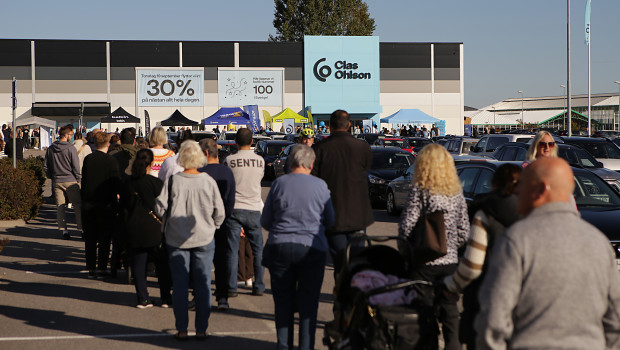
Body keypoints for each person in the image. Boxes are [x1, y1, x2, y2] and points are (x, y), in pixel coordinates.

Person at [474, 157, 620, 349]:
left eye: (522, 185)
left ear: (541, 190)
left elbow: (493, 320)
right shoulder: (599, 243)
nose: (517, 191)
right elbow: (614, 319)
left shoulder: (517, 240)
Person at [262, 144, 335, 350]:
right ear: (311, 163)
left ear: (291, 162)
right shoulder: (321, 186)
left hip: (280, 246)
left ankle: (284, 345)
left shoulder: (278, 184)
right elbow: (330, 219)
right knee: (309, 304)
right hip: (312, 247)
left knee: (283, 303)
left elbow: (266, 221)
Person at [442, 164, 522, 349]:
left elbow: (472, 265)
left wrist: (452, 286)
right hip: (520, 306)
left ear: (494, 183)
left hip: (484, 301)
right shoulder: (531, 213)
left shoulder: (485, 211)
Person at [398, 144, 469, 350]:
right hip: (450, 263)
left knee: (423, 313)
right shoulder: (456, 193)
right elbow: (464, 230)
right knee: (450, 312)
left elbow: (406, 226)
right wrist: (448, 247)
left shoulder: (420, 190)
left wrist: (409, 252)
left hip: (424, 262)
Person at [155, 141, 225, 341]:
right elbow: (220, 212)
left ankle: (182, 329)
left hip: (176, 238)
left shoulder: (174, 181)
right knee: (202, 284)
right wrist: (212, 227)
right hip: (203, 237)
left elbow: (160, 208)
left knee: (179, 285)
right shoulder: (208, 181)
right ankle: (201, 329)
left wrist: (168, 218)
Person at [311, 109, 374, 276]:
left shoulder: (319, 149)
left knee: (339, 262)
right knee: (356, 262)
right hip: (359, 215)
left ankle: (341, 292)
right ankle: (353, 295)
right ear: (349, 126)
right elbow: (366, 169)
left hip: (333, 215)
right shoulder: (363, 147)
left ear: (330, 125)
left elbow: (314, 181)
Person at [121, 148, 171, 308]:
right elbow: (164, 205)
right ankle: (165, 298)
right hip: (154, 227)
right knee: (162, 265)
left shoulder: (127, 183)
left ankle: (143, 298)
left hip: (133, 227)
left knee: (138, 264)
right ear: (151, 163)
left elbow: (123, 206)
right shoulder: (155, 183)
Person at [223, 128, 266, 297]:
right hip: (254, 207)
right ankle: (259, 285)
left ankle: (232, 286)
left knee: (232, 249)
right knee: (257, 249)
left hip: (235, 207)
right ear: (252, 142)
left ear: (235, 142)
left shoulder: (229, 160)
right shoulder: (260, 161)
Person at [197, 138, 236, 311]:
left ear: (205, 153)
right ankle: (222, 297)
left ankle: (200, 296)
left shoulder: (199, 172)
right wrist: (224, 217)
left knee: (200, 262)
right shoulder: (226, 172)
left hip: (201, 224)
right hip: (222, 223)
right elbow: (230, 200)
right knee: (221, 262)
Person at [81, 132, 121, 278]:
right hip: (107, 204)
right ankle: (102, 268)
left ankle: (91, 268)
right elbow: (116, 182)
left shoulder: (88, 159)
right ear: (108, 144)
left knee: (90, 238)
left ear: (94, 143)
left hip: (89, 203)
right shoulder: (111, 161)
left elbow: (84, 180)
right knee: (105, 239)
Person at [44, 126, 82, 239]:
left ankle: (64, 230)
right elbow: (76, 165)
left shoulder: (51, 148)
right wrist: (78, 178)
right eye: (70, 135)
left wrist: (51, 176)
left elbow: (46, 166)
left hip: (57, 180)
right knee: (77, 205)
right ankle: (81, 228)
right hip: (71, 180)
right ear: (66, 135)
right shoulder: (71, 148)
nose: (71, 137)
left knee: (60, 206)